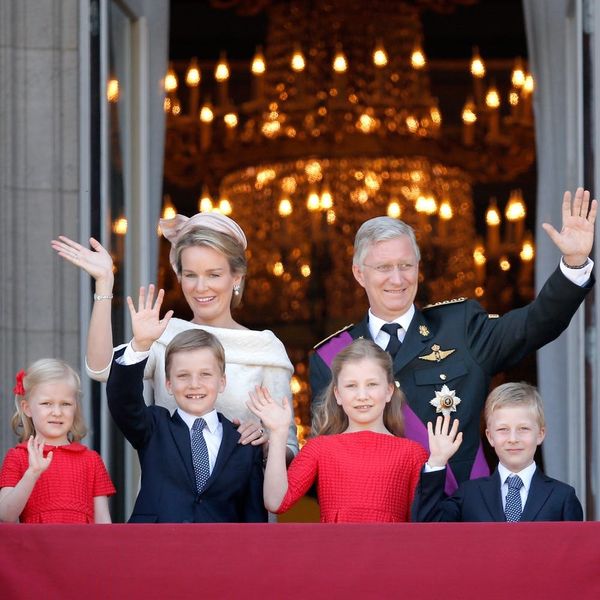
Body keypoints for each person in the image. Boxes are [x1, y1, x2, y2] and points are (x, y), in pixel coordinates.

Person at [310, 188, 596, 492]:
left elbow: (533, 325)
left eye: (406, 266)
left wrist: (574, 264)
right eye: (383, 267)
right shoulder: (332, 356)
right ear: (359, 273)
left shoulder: (461, 327)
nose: (397, 279)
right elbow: (324, 459)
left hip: (459, 506)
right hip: (376, 510)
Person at [51, 212, 298, 460]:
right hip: (168, 483)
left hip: (240, 484)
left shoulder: (265, 348)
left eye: (213, 274)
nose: (200, 287)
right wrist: (104, 283)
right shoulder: (166, 336)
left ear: (236, 277)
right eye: (190, 275)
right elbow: (100, 368)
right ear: (179, 277)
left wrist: (265, 444)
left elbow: (288, 448)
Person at [106, 289, 266, 523]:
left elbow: (254, 519)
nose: (194, 384)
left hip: (220, 546)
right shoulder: (154, 428)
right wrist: (140, 345)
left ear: (222, 382)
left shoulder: (243, 443)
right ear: (169, 384)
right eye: (183, 375)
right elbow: (123, 400)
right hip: (156, 543)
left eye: (205, 374)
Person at [248, 339, 428, 523]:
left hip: (391, 543)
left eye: (372, 384)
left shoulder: (413, 453)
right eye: (351, 385)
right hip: (334, 543)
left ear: (389, 391)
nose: (362, 396)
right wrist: (278, 433)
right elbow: (276, 502)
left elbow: (425, 522)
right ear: (338, 394)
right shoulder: (320, 448)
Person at [412, 382, 583, 522]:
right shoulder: (469, 495)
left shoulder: (562, 497)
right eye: (503, 429)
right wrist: (437, 462)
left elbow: (575, 550)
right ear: (490, 436)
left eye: (523, 428)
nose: (513, 439)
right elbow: (429, 528)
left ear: (540, 434)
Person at [0, 359, 115, 523]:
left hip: (82, 541)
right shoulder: (17, 457)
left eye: (65, 404)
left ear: (75, 407)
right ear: (27, 408)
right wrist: (32, 474)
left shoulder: (92, 460)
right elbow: (5, 517)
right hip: (37, 541)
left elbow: (103, 523)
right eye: (46, 403)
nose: (57, 412)